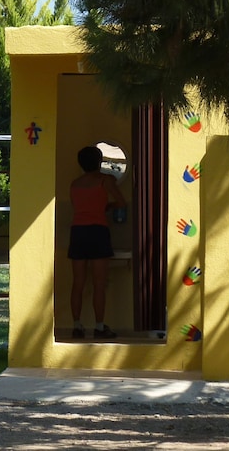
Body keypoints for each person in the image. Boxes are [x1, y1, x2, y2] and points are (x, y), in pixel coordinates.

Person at [68, 145, 127, 340]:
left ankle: (77, 326)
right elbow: (121, 202)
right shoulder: (105, 180)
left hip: (77, 232)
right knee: (99, 284)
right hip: (98, 231)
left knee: (78, 283)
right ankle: (100, 327)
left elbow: (76, 206)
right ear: (99, 162)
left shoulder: (75, 184)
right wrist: (107, 206)